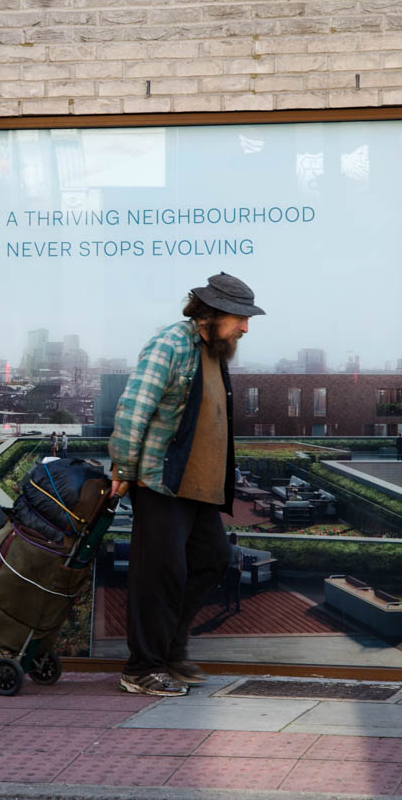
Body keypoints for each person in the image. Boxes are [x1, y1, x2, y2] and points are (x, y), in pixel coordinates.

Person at [109, 272, 263, 696]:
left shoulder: (213, 350)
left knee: (213, 558)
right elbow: (133, 410)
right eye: (239, 318)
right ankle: (142, 668)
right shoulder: (171, 344)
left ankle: (170, 652)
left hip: (197, 489)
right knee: (160, 574)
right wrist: (123, 470)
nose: (246, 328)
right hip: (160, 482)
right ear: (210, 314)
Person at [222, 532, 242, 613]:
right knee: (236, 589)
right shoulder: (238, 548)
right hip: (235, 569)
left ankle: (227, 606)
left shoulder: (226, 547)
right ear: (236, 539)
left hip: (227, 569)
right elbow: (239, 560)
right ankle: (237, 607)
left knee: (227, 588)